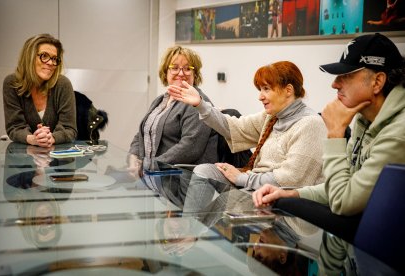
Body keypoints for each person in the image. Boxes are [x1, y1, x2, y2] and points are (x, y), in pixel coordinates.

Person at [253, 33, 405, 216]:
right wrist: (291, 193)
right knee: (283, 201)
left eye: (345, 76)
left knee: (286, 207)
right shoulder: (364, 119)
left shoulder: (398, 132)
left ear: (377, 82)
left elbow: (343, 202)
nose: (334, 84)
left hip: (378, 235)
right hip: (361, 218)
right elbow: (340, 185)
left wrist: (335, 134)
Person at [168, 61, 326, 191]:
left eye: (266, 89)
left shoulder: (310, 124)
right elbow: (233, 127)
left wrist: (241, 178)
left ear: (288, 90)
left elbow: (291, 179)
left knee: (223, 206)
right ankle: (198, 228)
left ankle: (206, 225)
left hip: (277, 196)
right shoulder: (271, 117)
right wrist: (201, 105)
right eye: (260, 89)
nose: (260, 96)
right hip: (253, 185)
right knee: (203, 171)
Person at [128, 46, 218, 176]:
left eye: (187, 69)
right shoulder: (160, 101)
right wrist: (134, 158)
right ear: (166, 72)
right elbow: (142, 133)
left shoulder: (198, 103)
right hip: (152, 176)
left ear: (195, 74)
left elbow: (190, 147)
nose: (181, 73)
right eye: (174, 68)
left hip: (180, 183)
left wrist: (149, 165)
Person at [3, 33, 77, 148]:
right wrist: (33, 139)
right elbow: (14, 127)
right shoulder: (12, 83)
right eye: (44, 56)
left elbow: (69, 129)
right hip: (23, 159)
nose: (51, 63)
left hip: (58, 160)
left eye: (54, 59)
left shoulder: (63, 84)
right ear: (29, 57)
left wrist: (51, 138)